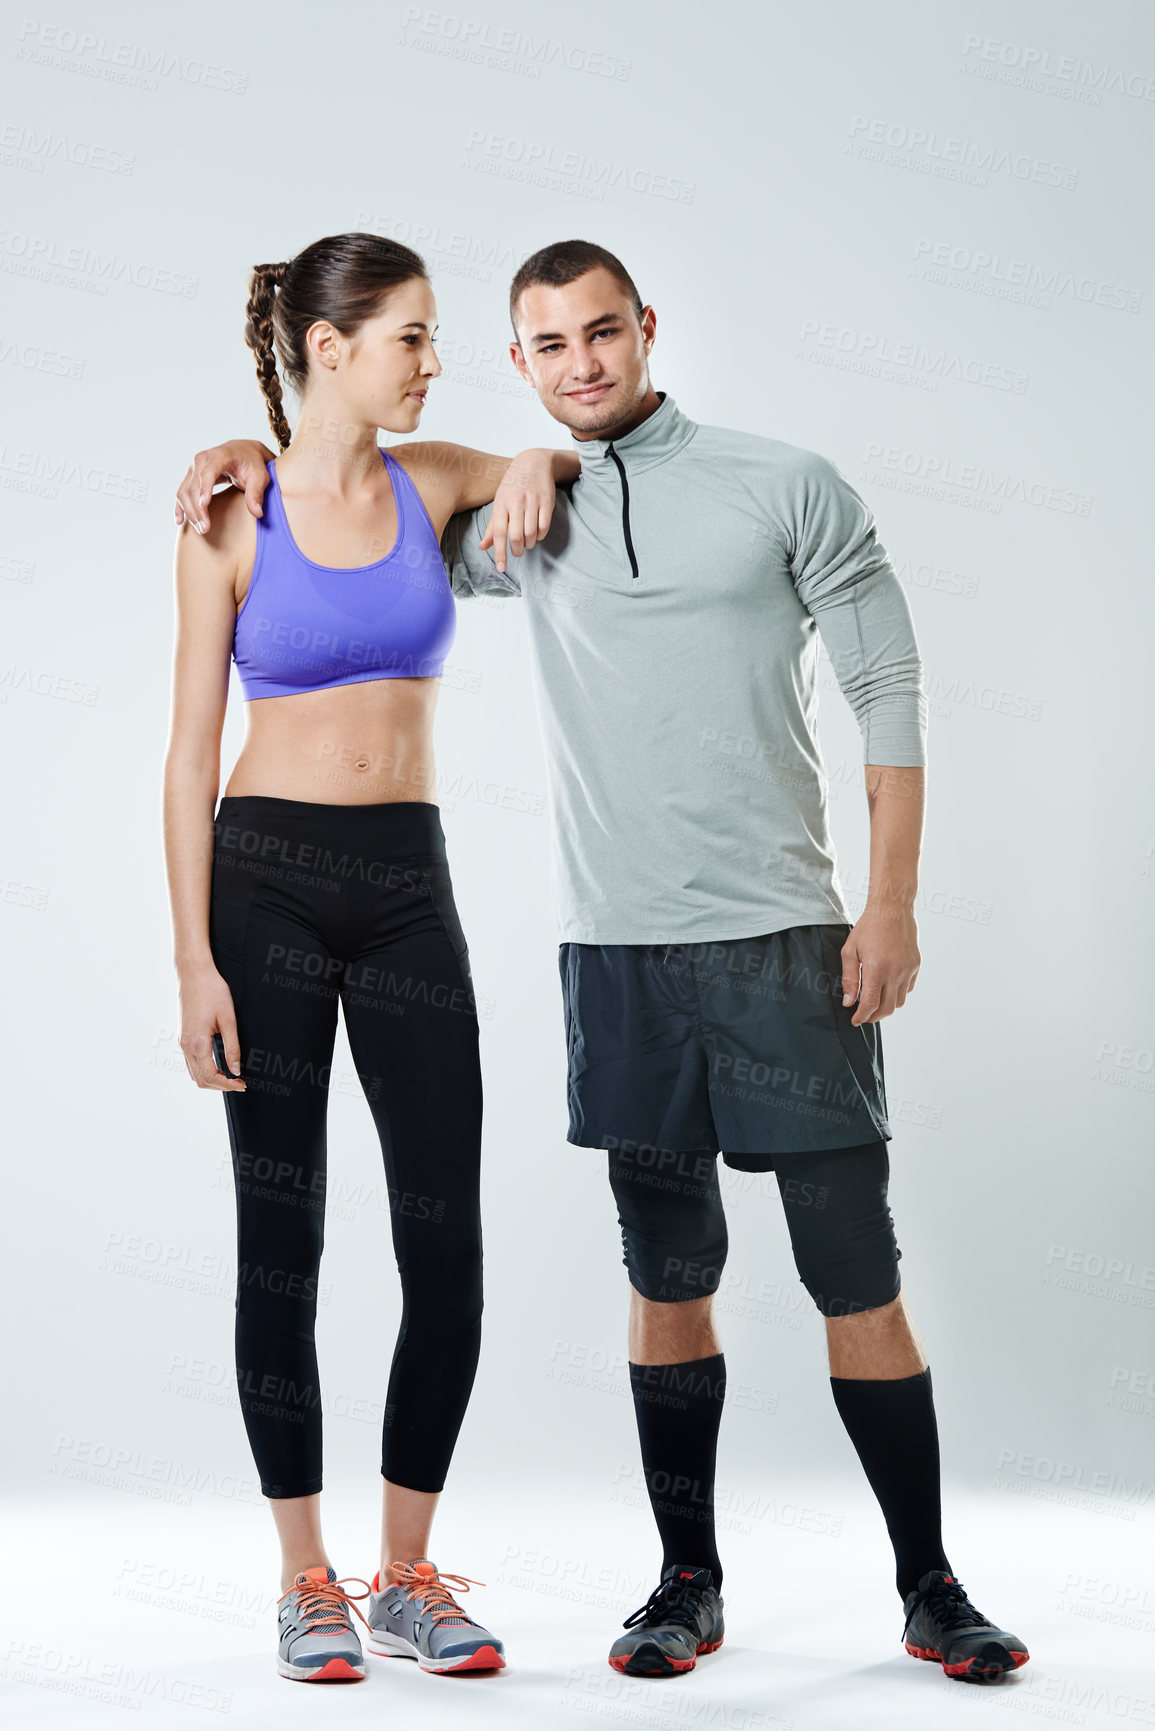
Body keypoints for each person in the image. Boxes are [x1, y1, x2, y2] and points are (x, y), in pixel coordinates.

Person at [174, 238, 1030, 1686]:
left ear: (647, 328)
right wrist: (236, 447)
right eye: (539, 345)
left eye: (601, 333)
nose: (577, 363)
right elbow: (297, 590)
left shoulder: (756, 483)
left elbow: (885, 677)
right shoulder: (399, 509)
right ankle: (651, 1582)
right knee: (654, 1266)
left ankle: (927, 1583)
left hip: (764, 936)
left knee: (840, 1268)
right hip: (583, 948)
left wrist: (892, 903)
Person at [162, 229, 580, 1683]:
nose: (430, 359)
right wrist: (191, 965)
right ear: (326, 347)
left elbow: (564, 460)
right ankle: (305, 1582)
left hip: (407, 882)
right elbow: (185, 752)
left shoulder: (435, 475)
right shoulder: (232, 509)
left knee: (444, 1242)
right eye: (409, 335)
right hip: (262, 881)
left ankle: (407, 1572)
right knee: (283, 1243)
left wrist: (532, 463)